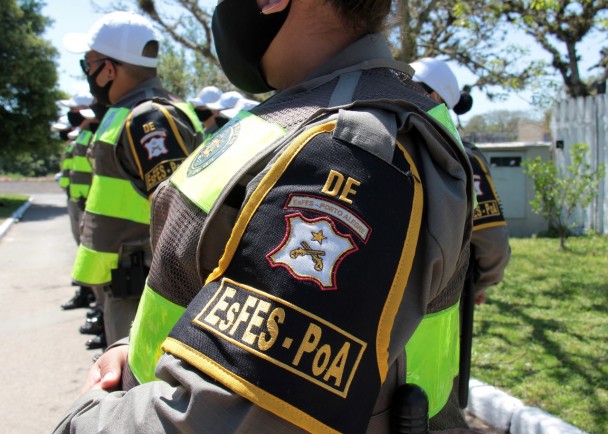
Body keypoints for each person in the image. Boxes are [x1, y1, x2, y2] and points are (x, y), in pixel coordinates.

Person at [55, 1, 475, 433]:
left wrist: (87, 417)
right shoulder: (303, 112)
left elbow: (241, 415)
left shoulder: (349, 146)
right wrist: (139, 349)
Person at [62, 11, 204, 347]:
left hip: (143, 288)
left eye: (88, 64)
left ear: (108, 69)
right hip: (128, 281)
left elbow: (179, 219)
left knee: (137, 387)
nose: (87, 73)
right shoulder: (133, 113)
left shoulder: (149, 117)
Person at [410, 57, 511, 304]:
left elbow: (492, 242)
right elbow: (494, 245)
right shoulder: (463, 157)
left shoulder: (462, 159)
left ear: (434, 97)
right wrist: (482, 282)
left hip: (431, 311)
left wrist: (481, 282)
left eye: (408, 85)